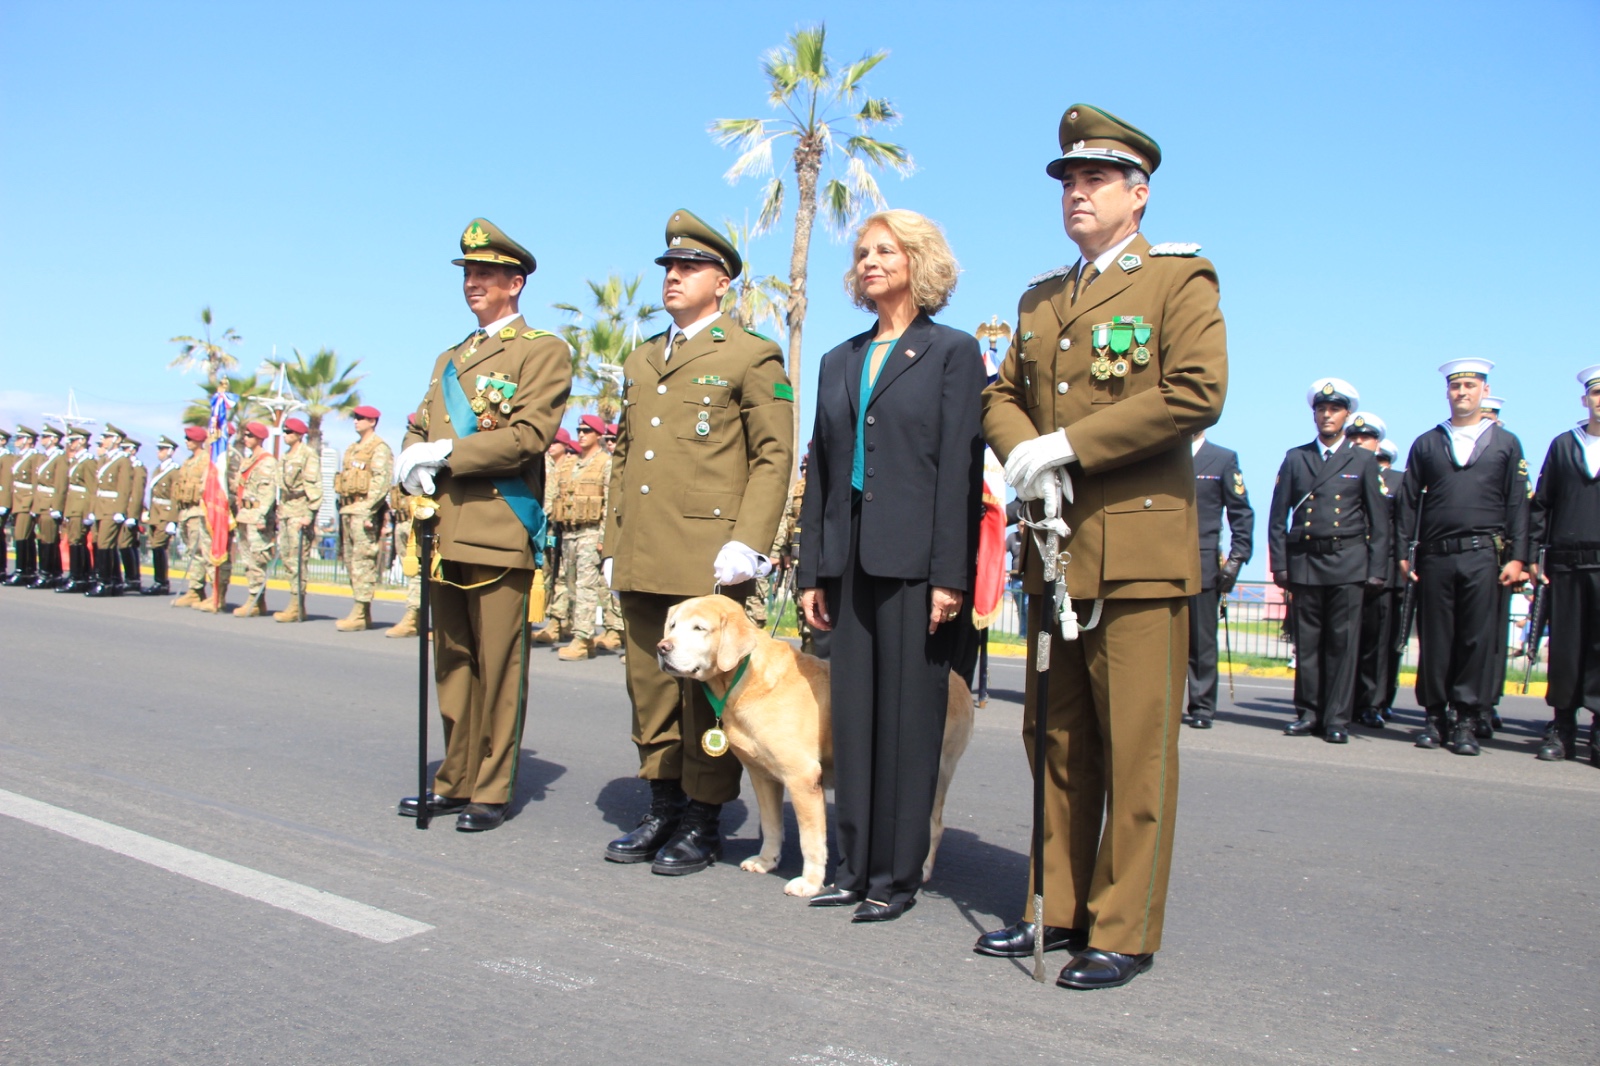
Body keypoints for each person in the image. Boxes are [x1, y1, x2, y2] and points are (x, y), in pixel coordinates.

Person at [976, 104, 1226, 990]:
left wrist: (1072, 445)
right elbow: (1000, 392)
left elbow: (1197, 391)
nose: (1077, 194)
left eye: (1095, 180)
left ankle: (1123, 928)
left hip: (1138, 551)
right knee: (1057, 736)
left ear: (1138, 194)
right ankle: (1058, 904)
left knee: (1135, 747)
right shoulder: (1042, 297)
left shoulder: (1177, 281)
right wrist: (1022, 449)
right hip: (1057, 551)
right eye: (1068, 182)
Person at [794, 208, 983, 922]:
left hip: (915, 566)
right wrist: (813, 568)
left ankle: (897, 878)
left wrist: (949, 575)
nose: (870, 261)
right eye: (863, 252)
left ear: (920, 261)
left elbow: (957, 473)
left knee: (908, 722)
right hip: (848, 562)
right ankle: (854, 865)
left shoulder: (952, 352)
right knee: (856, 717)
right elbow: (822, 470)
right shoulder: (837, 359)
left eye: (886, 250)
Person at [602, 208, 794, 874]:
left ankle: (703, 820)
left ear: (723, 282)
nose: (674, 276)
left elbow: (774, 453)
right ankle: (661, 807)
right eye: (668, 267)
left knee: (706, 699)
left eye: (689, 267)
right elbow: (625, 457)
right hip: (642, 552)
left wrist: (749, 542)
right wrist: (610, 539)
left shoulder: (750, 354)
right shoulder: (643, 357)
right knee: (649, 692)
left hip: (707, 562)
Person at [394, 217, 572, 832]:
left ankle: (490, 789)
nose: (474, 282)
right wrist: (410, 459)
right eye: (469, 272)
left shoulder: (541, 350)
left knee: (498, 666)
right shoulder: (450, 356)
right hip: (442, 528)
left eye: (487, 273)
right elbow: (420, 426)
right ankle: (455, 776)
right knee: (453, 661)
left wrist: (444, 454)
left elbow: (526, 438)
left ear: (515, 282)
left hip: (498, 529)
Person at [1396, 359, 1530, 755]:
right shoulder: (1427, 442)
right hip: (1436, 556)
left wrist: (1518, 557)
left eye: (1471, 386)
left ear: (1484, 392)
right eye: (1456, 387)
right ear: (1447, 392)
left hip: (1482, 556)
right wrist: (1404, 551)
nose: (1463, 393)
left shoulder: (1506, 443)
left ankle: (1466, 721)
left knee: (1475, 640)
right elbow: (1407, 501)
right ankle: (1434, 717)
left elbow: (1518, 504)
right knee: (1437, 640)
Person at [1268, 381, 1390, 742]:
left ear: (1346, 415)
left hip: (1347, 560)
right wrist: (1280, 565)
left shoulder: (1363, 460)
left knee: (1342, 644)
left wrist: (1376, 569)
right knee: (1307, 644)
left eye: (1334, 409)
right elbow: (1278, 517)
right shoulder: (1296, 458)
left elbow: (1378, 522)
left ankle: (1336, 718)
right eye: (1321, 409)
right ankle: (1308, 712)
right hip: (1306, 559)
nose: (1327, 415)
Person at [1529, 365, 1600, 765]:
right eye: (1596, 393)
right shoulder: (1563, 445)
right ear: (1585, 400)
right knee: (1567, 647)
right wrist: (1537, 554)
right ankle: (1562, 726)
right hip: (1567, 563)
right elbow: (1542, 505)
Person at [1183, 429, 1254, 728]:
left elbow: (1242, 514)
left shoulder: (1223, 459)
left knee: (1201, 642)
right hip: (1160, 563)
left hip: (1203, 563)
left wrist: (1237, 559)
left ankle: (1202, 706)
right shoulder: (1161, 455)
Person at [1344, 414, 1403, 727]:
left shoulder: (1396, 481)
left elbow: (1400, 528)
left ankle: (1373, 702)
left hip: (1384, 571)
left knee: (1378, 644)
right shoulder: (1341, 473)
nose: (1358, 443)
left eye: (1365, 439)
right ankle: (1345, 700)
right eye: (1353, 437)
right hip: (1348, 565)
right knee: (1346, 640)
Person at [550, 414, 616, 660]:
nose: (581, 434)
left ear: (598, 435)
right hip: (568, 532)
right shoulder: (571, 463)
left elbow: (610, 503)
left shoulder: (605, 463)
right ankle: (582, 635)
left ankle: (582, 638)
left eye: (587, 431)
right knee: (570, 585)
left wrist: (603, 537)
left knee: (586, 586)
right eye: (579, 430)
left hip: (590, 532)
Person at [267, 417, 322, 622]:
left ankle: (297, 605)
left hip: (300, 512)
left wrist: (309, 514)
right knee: (288, 561)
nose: (286, 435)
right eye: (285, 431)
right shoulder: (285, 457)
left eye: (289, 432)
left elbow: (314, 486)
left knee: (298, 561)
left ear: (299, 434)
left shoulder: (307, 454)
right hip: (287, 512)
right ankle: (294, 603)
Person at [228, 421, 278, 617]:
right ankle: (257, 598)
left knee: (258, 559)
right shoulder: (247, 461)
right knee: (248, 560)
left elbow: (267, 492)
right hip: (244, 515)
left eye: (249, 436)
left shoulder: (266, 461)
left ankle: (255, 599)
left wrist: (262, 516)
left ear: (259, 438)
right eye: (245, 436)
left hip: (257, 516)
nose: (245, 439)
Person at [533, 429, 578, 645]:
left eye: (556, 442)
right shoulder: (548, 464)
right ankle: (557, 619)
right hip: (549, 526)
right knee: (549, 576)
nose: (551, 446)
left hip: (559, 527)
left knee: (560, 576)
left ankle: (559, 622)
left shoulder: (569, 466)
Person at [171, 426, 218, 607]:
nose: (186, 442)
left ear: (198, 440)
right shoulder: (189, 460)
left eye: (189, 439)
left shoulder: (206, 460)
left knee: (201, 552)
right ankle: (195, 590)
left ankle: (206, 590)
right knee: (192, 552)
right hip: (186, 511)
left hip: (199, 511)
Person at [86, 425, 134, 598]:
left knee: (105, 544)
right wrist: (92, 509)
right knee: (101, 543)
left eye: (108, 436)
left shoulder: (123, 461)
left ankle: (105, 583)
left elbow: (124, 487)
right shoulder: (104, 459)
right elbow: (96, 488)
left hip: (112, 507)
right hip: (100, 506)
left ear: (117, 440)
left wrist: (120, 510)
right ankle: (114, 581)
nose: (105, 440)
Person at [58, 426, 98, 593]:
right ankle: (79, 575)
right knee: (74, 540)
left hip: (80, 506)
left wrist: (89, 511)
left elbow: (91, 488)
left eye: (73, 440)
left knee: (77, 540)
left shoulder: (88, 461)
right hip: (73, 505)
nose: (71, 444)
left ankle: (79, 577)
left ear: (82, 441)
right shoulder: (76, 461)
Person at [28, 426, 68, 589]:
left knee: (49, 540)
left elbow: (60, 485)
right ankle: (48, 572)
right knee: (43, 539)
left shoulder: (59, 458)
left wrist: (56, 507)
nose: (42, 439)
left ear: (54, 439)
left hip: (50, 503)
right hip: (40, 503)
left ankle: (49, 574)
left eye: (45, 436)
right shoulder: (45, 457)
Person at [141, 435, 182, 595]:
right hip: (156, 513)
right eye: (159, 449)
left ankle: (162, 582)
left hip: (165, 514)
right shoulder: (158, 469)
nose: (160, 452)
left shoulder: (174, 471)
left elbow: (175, 497)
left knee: (159, 547)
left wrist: (173, 519)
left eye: (163, 449)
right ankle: (158, 580)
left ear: (170, 451)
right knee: (155, 547)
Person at [4, 428, 39, 586]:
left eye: (20, 438)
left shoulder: (34, 457)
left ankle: (24, 571)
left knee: (22, 536)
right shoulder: (19, 457)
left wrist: (33, 504)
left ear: (28, 440)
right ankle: (26, 570)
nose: (17, 441)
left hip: (26, 501)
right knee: (21, 535)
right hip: (17, 500)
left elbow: (35, 483)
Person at [117, 435, 148, 592]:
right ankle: (130, 577)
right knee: (124, 544)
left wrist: (132, 515)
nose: (122, 452)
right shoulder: (124, 466)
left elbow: (136, 494)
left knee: (126, 544)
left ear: (133, 450)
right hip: (122, 509)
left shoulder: (137, 467)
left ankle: (133, 578)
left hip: (130, 510)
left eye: (125, 449)